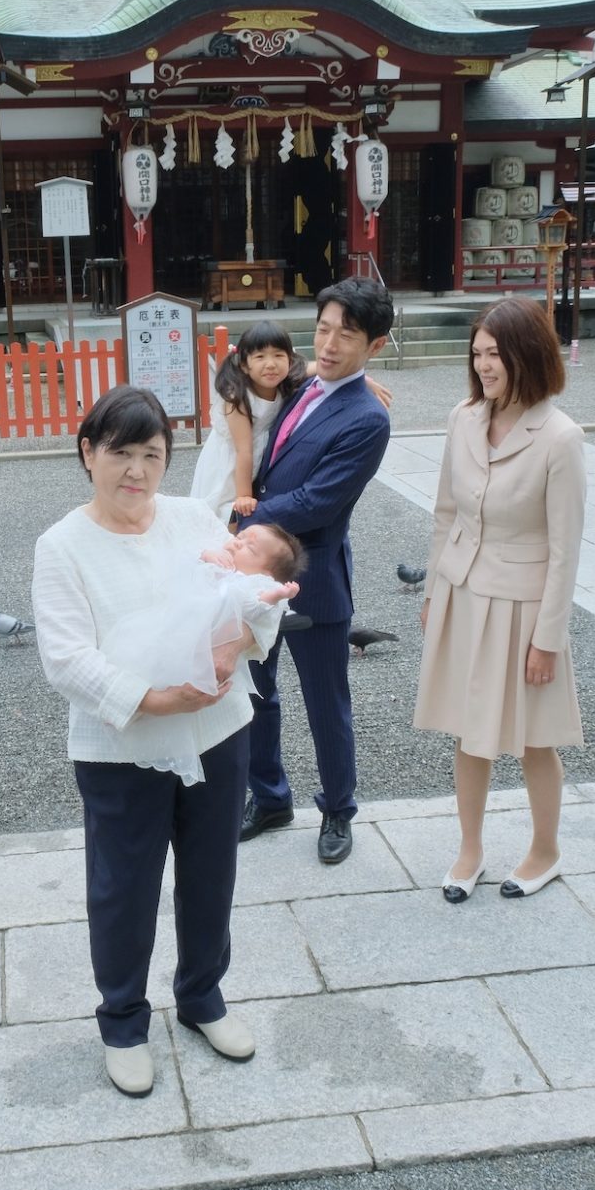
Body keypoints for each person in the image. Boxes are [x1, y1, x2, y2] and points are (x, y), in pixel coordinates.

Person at [33, 385, 287, 1098]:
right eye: (121, 454)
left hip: (215, 728)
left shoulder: (189, 518)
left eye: (152, 455)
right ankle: (122, 1021)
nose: (137, 472)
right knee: (123, 888)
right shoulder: (62, 546)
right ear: (88, 454)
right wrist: (152, 699)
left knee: (211, 873)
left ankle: (203, 997)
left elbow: (247, 588)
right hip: (122, 748)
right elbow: (66, 657)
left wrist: (238, 646)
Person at [413, 298, 586, 904]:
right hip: (463, 591)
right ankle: (470, 848)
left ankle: (545, 849)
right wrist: (435, 590)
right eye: (479, 353)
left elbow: (566, 549)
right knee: (466, 727)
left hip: (522, 603)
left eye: (496, 354)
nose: (484, 365)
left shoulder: (561, 438)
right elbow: (444, 513)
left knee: (535, 735)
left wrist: (549, 638)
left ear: (527, 355)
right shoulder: (463, 417)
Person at [237, 277, 395, 864]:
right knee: (256, 689)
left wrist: (237, 520)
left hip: (316, 575)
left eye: (346, 336)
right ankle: (270, 797)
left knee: (326, 701)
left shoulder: (367, 420)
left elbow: (317, 503)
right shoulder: (302, 382)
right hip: (258, 578)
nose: (328, 345)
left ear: (374, 346)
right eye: (323, 329)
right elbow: (243, 380)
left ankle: (337, 809)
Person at [101, 524, 306, 784]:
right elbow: (184, 566)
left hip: (196, 645)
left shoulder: (249, 584)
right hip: (172, 630)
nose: (236, 544)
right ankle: (123, 706)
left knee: (176, 680)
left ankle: (134, 713)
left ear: (265, 572)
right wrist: (207, 555)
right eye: (240, 538)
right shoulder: (219, 562)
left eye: (249, 548)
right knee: (143, 660)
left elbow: (259, 608)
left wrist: (276, 594)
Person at [189, 323, 303, 520]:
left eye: (278, 355)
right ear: (244, 364)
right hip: (229, 461)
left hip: (252, 455)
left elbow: (318, 369)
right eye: (260, 357)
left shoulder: (285, 382)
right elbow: (244, 451)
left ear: (290, 360)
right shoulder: (238, 398)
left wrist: (361, 380)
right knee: (222, 511)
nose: (271, 364)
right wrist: (244, 497)